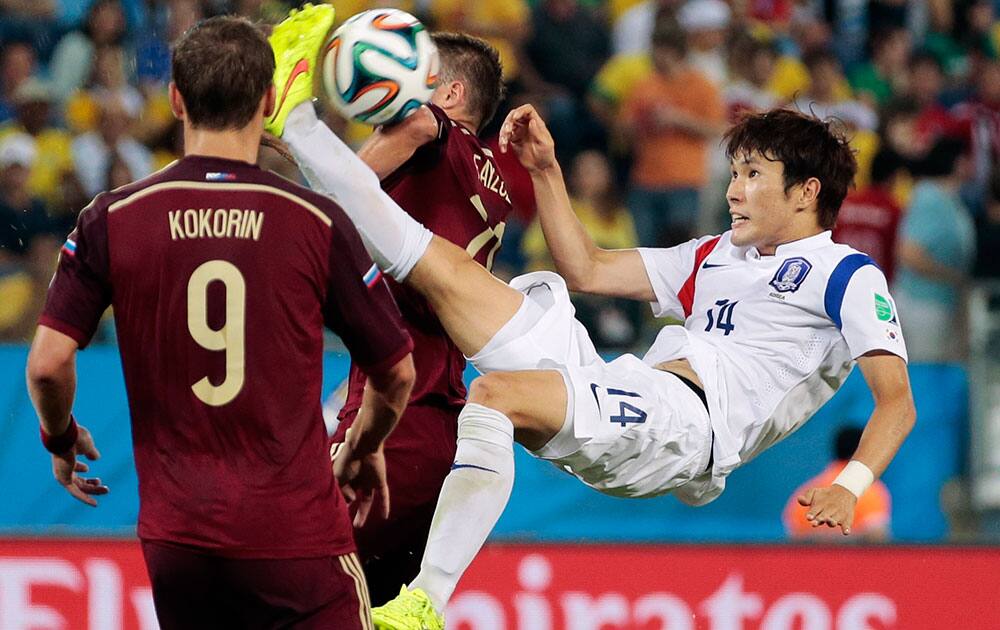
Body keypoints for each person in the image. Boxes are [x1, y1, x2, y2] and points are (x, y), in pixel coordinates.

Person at [267, 7, 916, 628]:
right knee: (450, 275)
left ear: (806, 192)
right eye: (735, 172)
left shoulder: (845, 273)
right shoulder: (717, 254)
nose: (732, 188)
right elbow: (590, 270)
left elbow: (897, 405)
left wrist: (853, 484)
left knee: (491, 393)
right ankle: (293, 122)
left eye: (752, 174)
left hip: (687, 428)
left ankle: (426, 603)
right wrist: (546, 172)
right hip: (631, 381)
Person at [26, 15, 417, 629]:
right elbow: (396, 371)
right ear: (268, 100)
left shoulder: (113, 217)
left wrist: (59, 436)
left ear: (177, 99)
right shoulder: (315, 220)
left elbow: (48, 364)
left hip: (180, 544)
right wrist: (364, 448)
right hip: (295, 539)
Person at [326, 27, 512, 605]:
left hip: (394, 421)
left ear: (450, 94)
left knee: (284, 572)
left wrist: (317, 183)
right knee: (371, 609)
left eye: (422, 77)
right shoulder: (493, 182)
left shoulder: (430, 128)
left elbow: (342, 193)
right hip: (441, 423)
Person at [783, 426, 892, 541]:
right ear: (865, 452)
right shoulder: (871, 491)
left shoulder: (807, 492)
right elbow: (877, 535)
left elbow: (793, 537)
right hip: (853, 558)